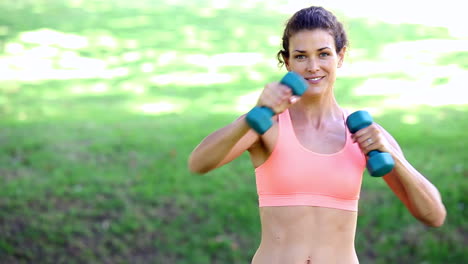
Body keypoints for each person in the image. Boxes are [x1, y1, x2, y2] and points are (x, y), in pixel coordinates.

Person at [188, 6, 446, 264]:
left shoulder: (363, 133)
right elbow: (198, 163)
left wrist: (393, 157)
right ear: (287, 61)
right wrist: (253, 115)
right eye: (301, 57)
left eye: (324, 54)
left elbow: (434, 216)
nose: (313, 67)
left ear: (340, 56)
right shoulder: (268, 124)